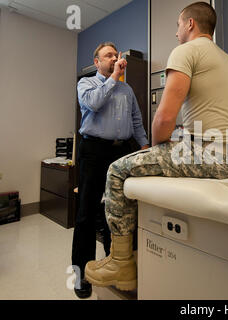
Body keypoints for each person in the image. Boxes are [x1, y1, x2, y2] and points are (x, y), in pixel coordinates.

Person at [84, 2, 228, 291]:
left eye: (177, 25)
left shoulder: (185, 51)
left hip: (214, 155)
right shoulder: (227, 59)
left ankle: (121, 263)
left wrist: (158, 146)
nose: (175, 33)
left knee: (116, 171)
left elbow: (163, 119)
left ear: (189, 25)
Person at [72, 42, 150, 298]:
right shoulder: (87, 84)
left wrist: (145, 148)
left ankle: (113, 265)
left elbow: (136, 122)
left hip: (121, 152)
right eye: (108, 56)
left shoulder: (127, 90)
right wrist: (114, 77)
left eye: (116, 55)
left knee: (115, 212)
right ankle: (82, 274)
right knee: (86, 213)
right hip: (93, 152)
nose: (114, 58)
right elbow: (93, 104)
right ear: (97, 62)